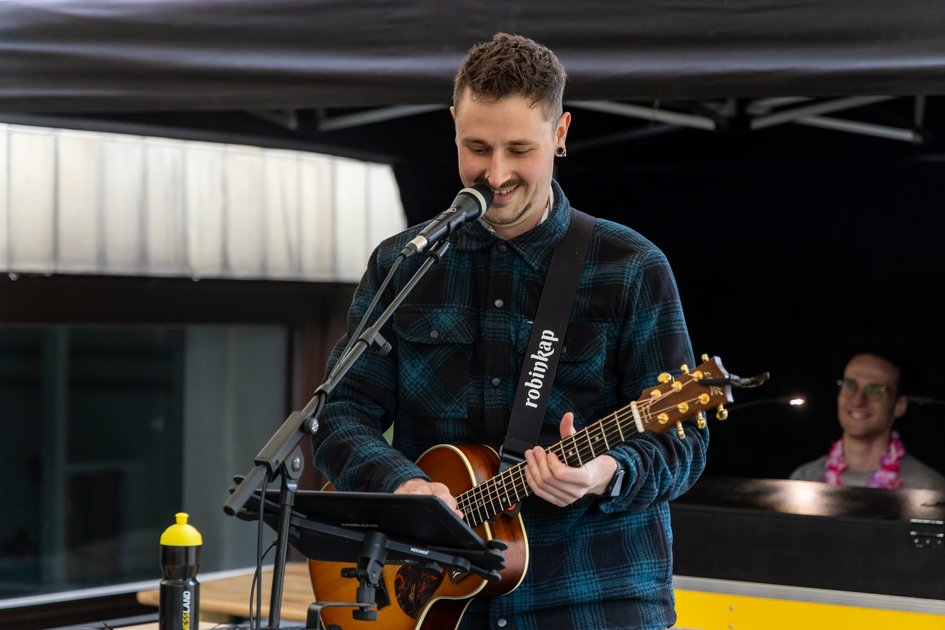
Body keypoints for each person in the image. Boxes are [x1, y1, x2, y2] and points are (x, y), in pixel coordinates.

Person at [311, 32, 708, 629]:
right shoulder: (405, 263)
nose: (495, 175)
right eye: (476, 146)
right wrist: (406, 488)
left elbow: (684, 443)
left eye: (519, 149)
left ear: (561, 134)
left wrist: (606, 471)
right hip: (440, 597)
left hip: (593, 596)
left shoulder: (630, 267)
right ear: (452, 126)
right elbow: (339, 413)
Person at [790, 340, 945, 491]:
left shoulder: (928, 490)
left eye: (875, 390)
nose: (858, 401)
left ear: (899, 406)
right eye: (850, 385)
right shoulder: (805, 481)